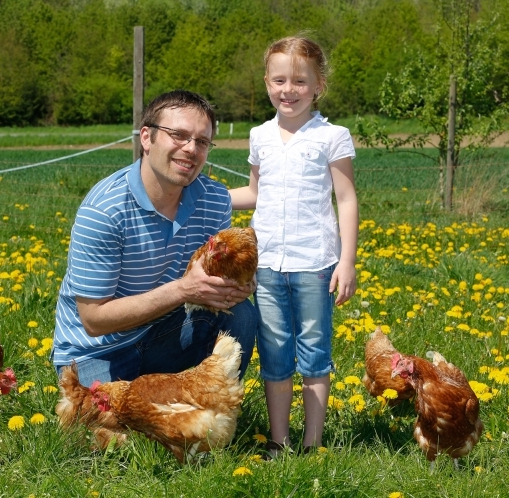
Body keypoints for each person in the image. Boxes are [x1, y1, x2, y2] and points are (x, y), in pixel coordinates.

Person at [52, 89, 258, 387]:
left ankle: (213, 414)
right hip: (98, 351)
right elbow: (93, 320)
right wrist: (183, 290)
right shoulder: (105, 210)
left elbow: (212, 285)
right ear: (146, 138)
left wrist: (235, 287)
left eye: (202, 141)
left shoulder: (215, 200)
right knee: (108, 433)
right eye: (178, 135)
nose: (191, 149)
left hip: (167, 333)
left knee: (239, 315)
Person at [229, 35, 359, 456]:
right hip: (265, 265)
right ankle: (278, 440)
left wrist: (347, 261)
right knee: (274, 355)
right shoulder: (259, 136)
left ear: (319, 85)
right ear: (267, 82)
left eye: (300, 81)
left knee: (315, 354)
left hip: (315, 263)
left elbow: (347, 199)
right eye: (279, 79)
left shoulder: (332, 136)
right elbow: (254, 192)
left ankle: (313, 443)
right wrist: (204, 196)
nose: (289, 90)